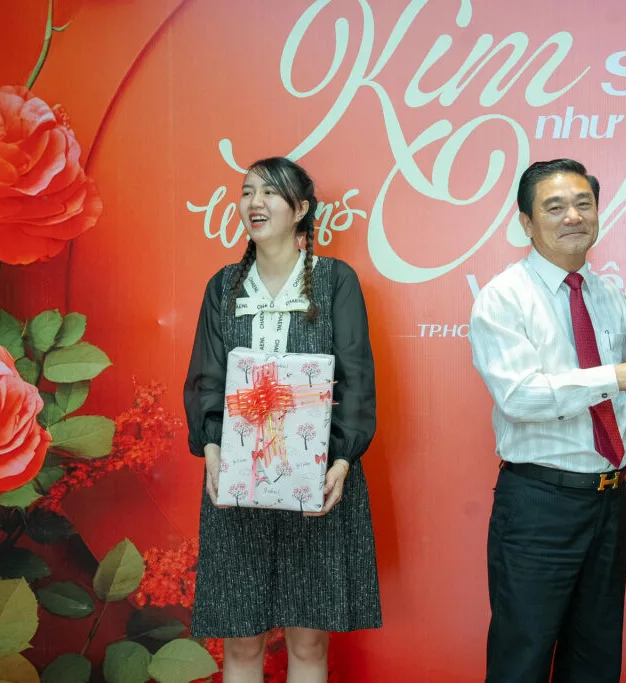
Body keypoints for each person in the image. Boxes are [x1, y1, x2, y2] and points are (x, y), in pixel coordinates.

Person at [468, 158, 626, 683]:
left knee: (595, 659)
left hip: (609, 500)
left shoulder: (606, 295)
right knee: (521, 659)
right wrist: (617, 374)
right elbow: (519, 397)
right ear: (527, 222)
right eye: (555, 207)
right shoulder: (504, 298)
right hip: (539, 503)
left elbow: (618, 398)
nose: (573, 216)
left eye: (584, 204)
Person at [183, 157, 381, 683]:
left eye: (270, 193)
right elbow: (206, 377)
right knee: (241, 639)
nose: (255, 202)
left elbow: (357, 378)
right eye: (247, 191)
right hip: (236, 480)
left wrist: (342, 460)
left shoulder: (335, 281)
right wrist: (211, 450)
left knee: (309, 640)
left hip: (318, 479)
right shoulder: (223, 287)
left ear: (300, 209)